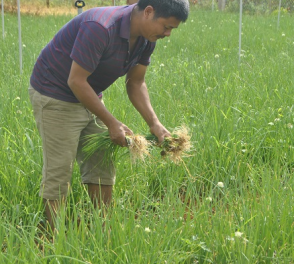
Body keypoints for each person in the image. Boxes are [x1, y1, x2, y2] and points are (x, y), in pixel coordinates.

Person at [28, 0, 190, 233]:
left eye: (172, 29)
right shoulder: (101, 27)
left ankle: (100, 229)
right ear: (148, 12)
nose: (167, 34)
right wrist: (111, 122)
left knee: (102, 163)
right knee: (60, 170)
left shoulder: (147, 38)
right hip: (55, 94)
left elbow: (136, 82)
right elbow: (75, 80)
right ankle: (54, 238)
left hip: (88, 93)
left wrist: (155, 124)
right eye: (166, 27)